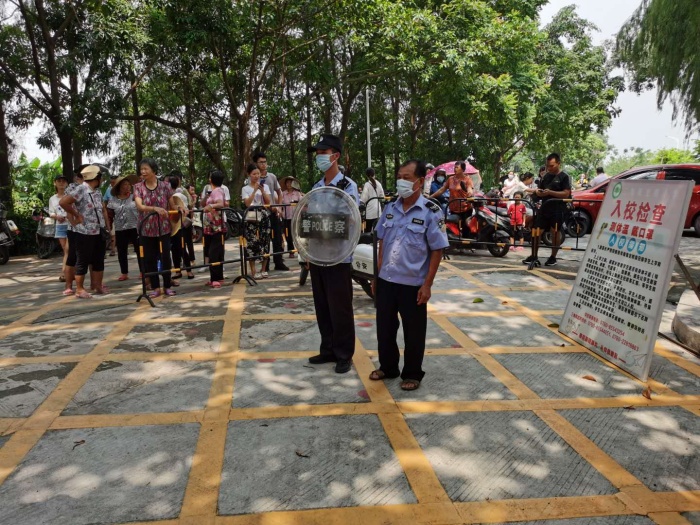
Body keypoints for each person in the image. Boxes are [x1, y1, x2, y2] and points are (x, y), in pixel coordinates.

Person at [368, 159, 449, 391]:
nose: (401, 182)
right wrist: (376, 275)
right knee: (385, 328)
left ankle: (412, 373)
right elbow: (382, 243)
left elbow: (437, 249)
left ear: (420, 181)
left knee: (414, 332)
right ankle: (388, 367)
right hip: (386, 280)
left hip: (413, 284)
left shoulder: (431, 211)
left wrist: (428, 284)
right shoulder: (390, 208)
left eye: (407, 178)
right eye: (399, 177)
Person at [306, 133, 359, 374]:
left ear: (335, 155)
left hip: (338, 256)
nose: (319, 157)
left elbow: (349, 221)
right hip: (318, 256)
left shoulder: (348, 187)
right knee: (323, 306)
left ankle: (344, 354)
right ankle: (327, 349)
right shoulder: (316, 188)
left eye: (323, 153)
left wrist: (323, 224)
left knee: (340, 308)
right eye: (317, 153)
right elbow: (308, 221)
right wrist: (308, 253)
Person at [133, 158, 184, 297]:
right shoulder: (138, 187)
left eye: (146, 169)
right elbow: (140, 206)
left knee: (165, 257)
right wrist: (154, 208)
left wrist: (180, 208)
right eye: (141, 169)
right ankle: (155, 287)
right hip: (146, 229)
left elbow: (172, 205)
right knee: (149, 259)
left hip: (163, 228)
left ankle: (167, 285)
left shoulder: (165, 186)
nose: (143, 171)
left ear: (154, 170)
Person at [59, 165, 109, 299]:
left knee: (98, 259)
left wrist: (106, 227)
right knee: (82, 260)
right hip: (84, 231)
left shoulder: (97, 192)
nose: (102, 180)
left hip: (98, 231)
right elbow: (63, 202)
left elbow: (102, 210)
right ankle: (79, 289)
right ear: (96, 178)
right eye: (101, 177)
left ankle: (97, 285)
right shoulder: (81, 189)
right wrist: (77, 215)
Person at [523, 153, 572, 267]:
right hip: (544, 208)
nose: (549, 168)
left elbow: (566, 193)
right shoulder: (545, 176)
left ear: (558, 164)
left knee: (555, 232)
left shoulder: (564, 177)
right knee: (536, 231)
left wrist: (550, 192)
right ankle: (534, 255)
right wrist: (538, 192)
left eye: (552, 165)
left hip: (558, 209)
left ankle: (553, 257)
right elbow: (540, 190)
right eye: (547, 165)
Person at [253, 152, 290, 272]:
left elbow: (279, 192)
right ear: (256, 164)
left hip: (273, 212)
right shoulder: (254, 178)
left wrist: (279, 207)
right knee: (264, 239)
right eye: (261, 162)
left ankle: (279, 262)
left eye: (265, 162)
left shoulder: (272, 177)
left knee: (277, 238)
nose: (263, 164)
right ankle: (266, 264)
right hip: (261, 213)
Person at [106, 174, 141, 281]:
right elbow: (109, 215)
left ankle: (142, 271)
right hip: (120, 228)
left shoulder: (134, 197)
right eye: (124, 185)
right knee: (121, 251)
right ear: (119, 187)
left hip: (135, 227)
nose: (127, 186)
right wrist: (108, 228)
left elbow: (141, 210)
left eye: (128, 184)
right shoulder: (112, 200)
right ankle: (124, 273)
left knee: (139, 249)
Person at [241, 162, 272, 279]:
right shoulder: (245, 188)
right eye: (254, 174)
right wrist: (254, 191)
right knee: (252, 241)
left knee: (265, 240)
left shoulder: (265, 186)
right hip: (251, 215)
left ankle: (263, 269)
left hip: (263, 214)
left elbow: (268, 202)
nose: (256, 176)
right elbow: (247, 203)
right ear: (249, 174)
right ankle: (253, 271)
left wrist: (262, 191)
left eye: (258, 173)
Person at [429, 161, 474, 236]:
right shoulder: (450, 179)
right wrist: (430, 197)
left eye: (457, 167)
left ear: (463, 169)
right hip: (453, 209)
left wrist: (470, 193)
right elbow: (441, 190)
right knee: (454, 231)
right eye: (454, 167)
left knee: (465, 231)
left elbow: (470, 188)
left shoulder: (467, 179)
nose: (455, 169)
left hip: (465, 209)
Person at [201, 170, 227, 288]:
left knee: (214, 253)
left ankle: (215, 278)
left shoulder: (217, 191)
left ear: (211, 179)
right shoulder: (213, 191)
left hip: (216, 226)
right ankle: (217, 277)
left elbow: (220, 204)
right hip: (211, 226)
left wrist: (211, 205)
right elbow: (203, 204)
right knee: (216, 251)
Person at [168, 175, 194, 282]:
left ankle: (186, 270)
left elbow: (185, 208)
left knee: (180, 248)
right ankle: (180, 270)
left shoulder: (177, 195)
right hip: (173, 224)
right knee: (176, 249)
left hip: (178, 224)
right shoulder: (180, 194)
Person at [48, 174, 69, 283]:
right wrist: (57, 217)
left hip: (71, 225)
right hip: (60, 226)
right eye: (59, 181)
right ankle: (68, 272)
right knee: (66, 250)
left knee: (68, 250)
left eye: (63, 181)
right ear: (55, 183)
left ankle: (64, 273)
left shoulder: (70, 196)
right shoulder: (52, 199)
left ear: (66, 183)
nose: (61, 183)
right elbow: (51, 212)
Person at [279, 175, 303, 257]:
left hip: (296, 217)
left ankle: (300, 251)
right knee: (288, 235)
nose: (289, 184)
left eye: (290, 182)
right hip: (286, 217)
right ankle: (291, 251)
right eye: (287, 183)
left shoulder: (297, 193)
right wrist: (281, 212)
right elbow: (280, 204)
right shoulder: (283, 194)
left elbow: (302, 203)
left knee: (298, 235)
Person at [360, 167, 385, 232]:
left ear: (366, 175)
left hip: (369, 212)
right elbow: (382, 197)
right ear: (374, 174)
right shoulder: (379, 184)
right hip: (378, 211)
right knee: (377, 231)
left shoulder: (367, 185)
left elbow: (363, 199)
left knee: (368, 231)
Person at [103, 172, 119, 256]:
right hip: (110, 213)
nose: (112, 184)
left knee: (120, 233)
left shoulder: (122, 189)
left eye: (114, 182)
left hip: (120, 214)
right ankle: (112, 250)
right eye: (111, 182)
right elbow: (105, 202)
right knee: (111, 233)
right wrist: (105, 212)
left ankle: (120, 248)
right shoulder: (108, 190)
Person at [184, 183, 198, 263]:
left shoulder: (191, 197)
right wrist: (194, 201)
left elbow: (191, 209)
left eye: (194, 190)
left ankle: (192, 259)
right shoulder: (185, 197)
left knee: (189, 241)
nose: (193, 191)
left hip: (188, 221)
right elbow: (190, 206)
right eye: (191, 190)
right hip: (184, 220)